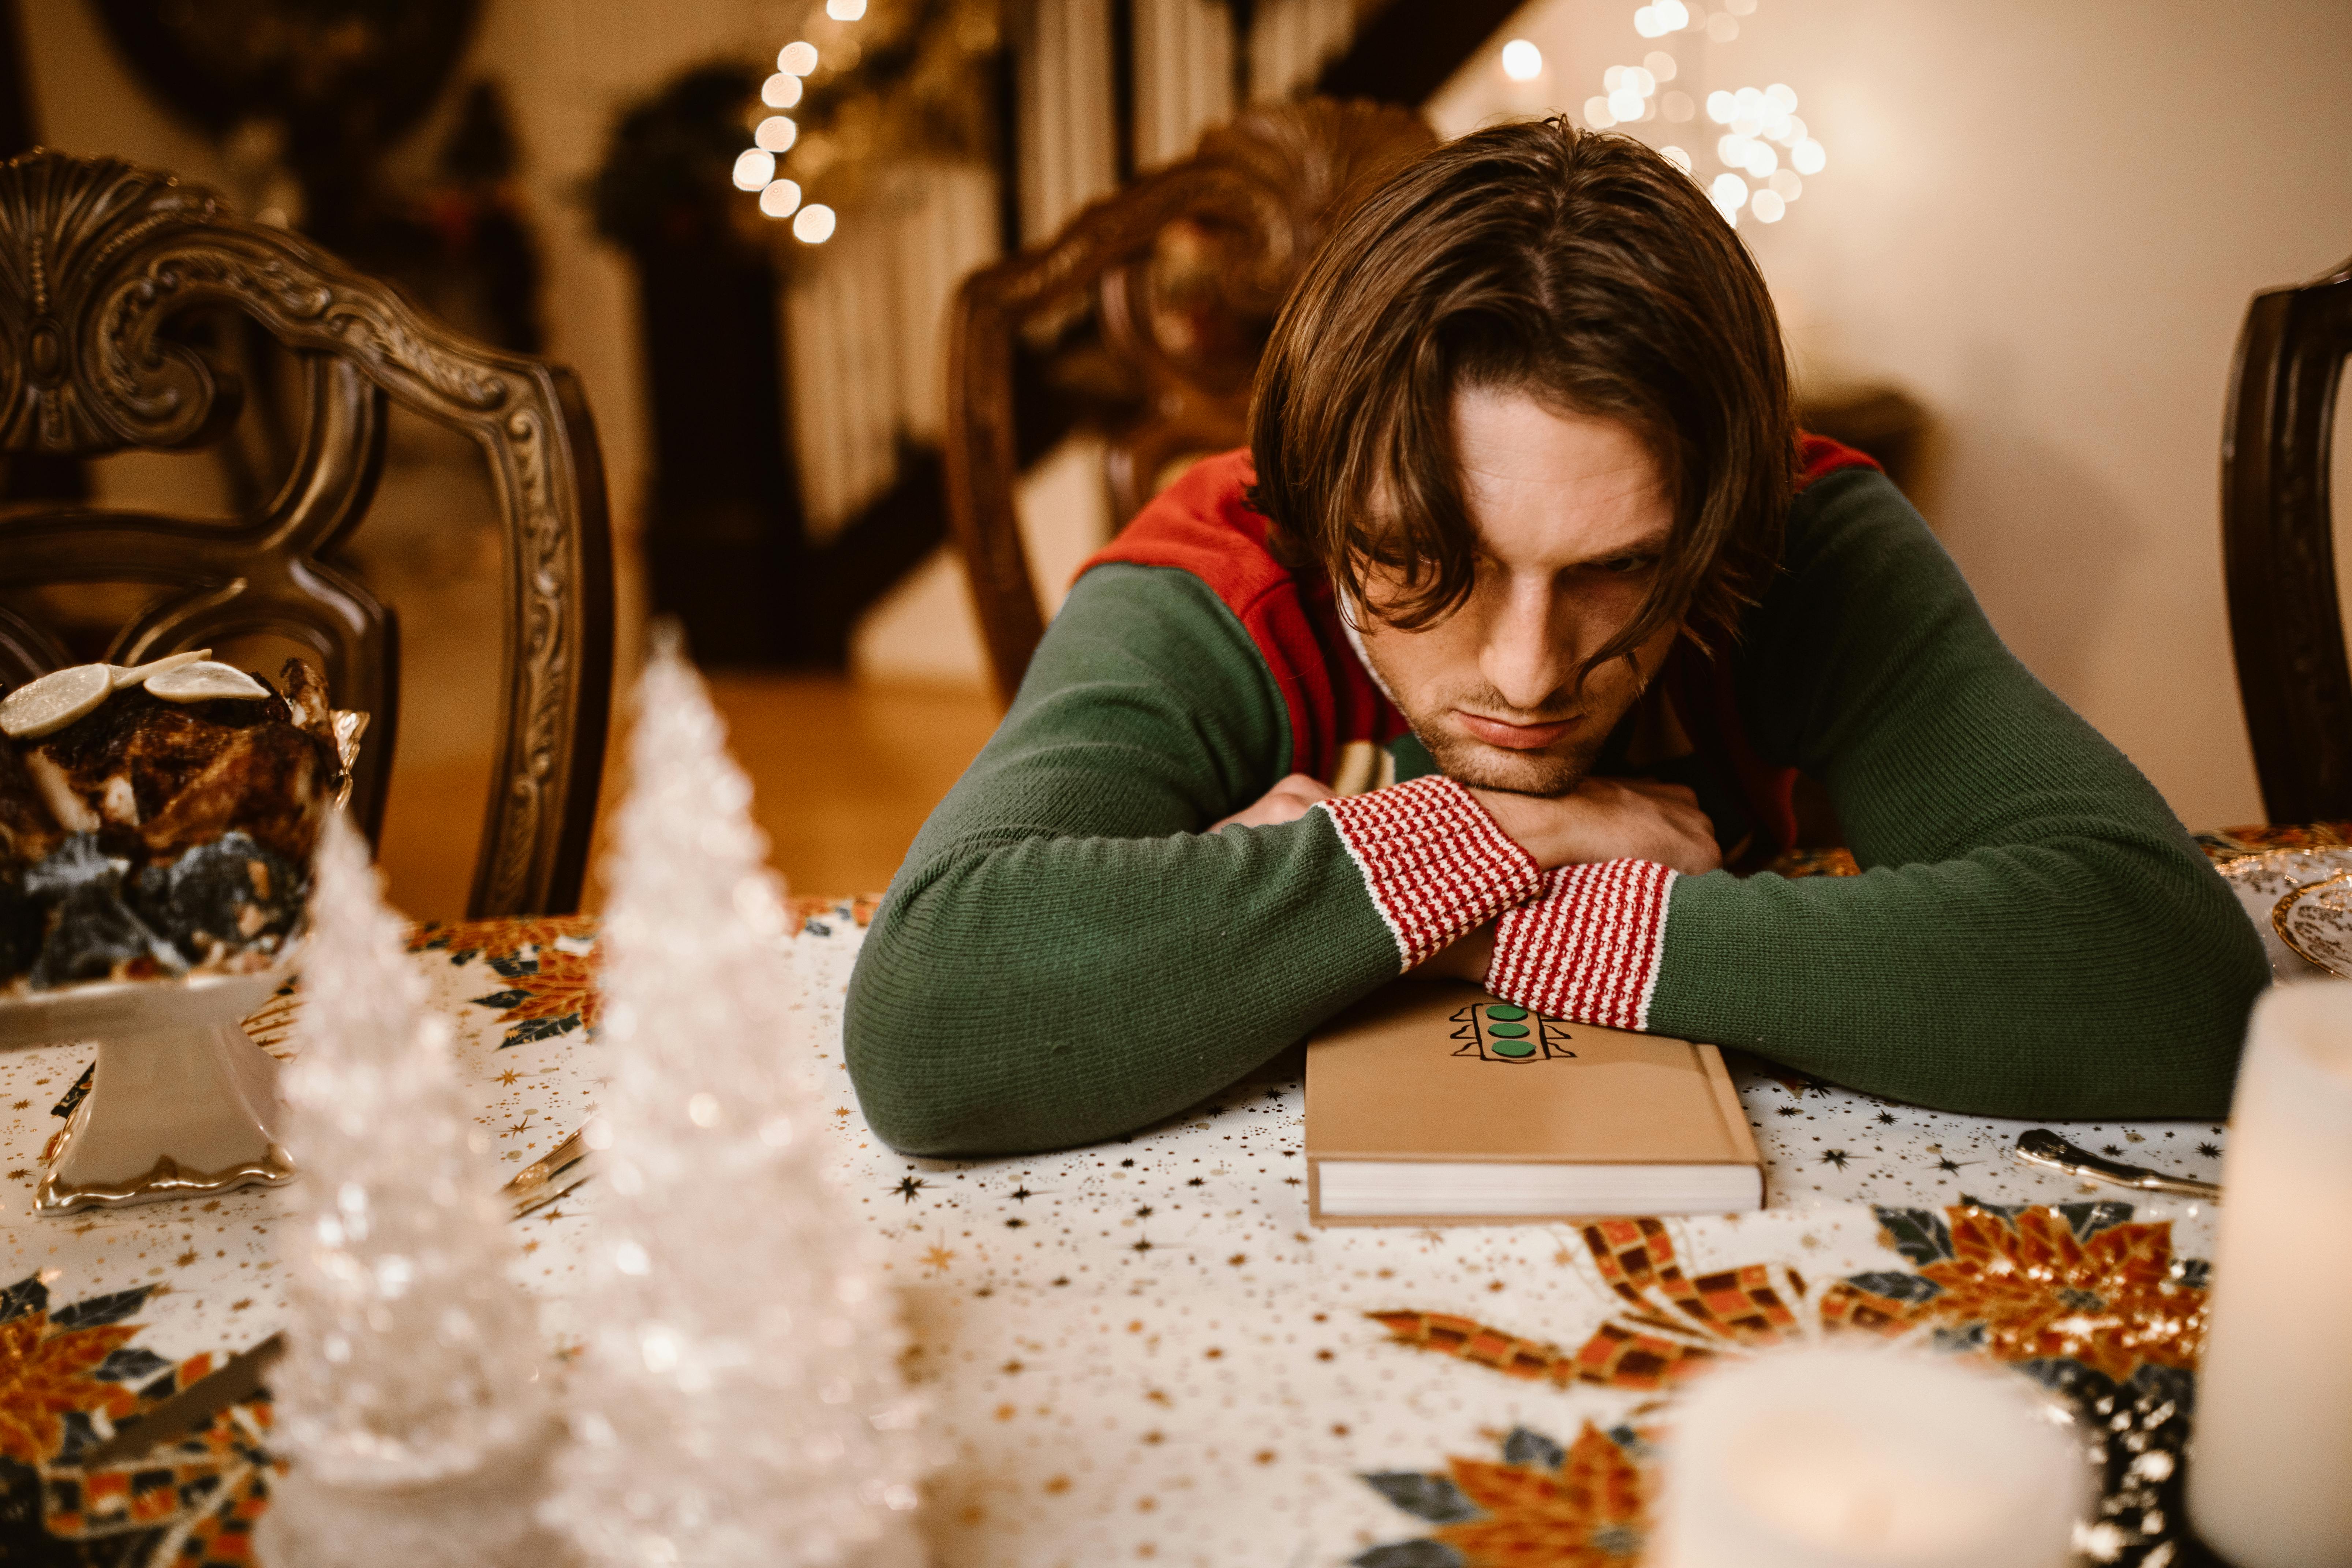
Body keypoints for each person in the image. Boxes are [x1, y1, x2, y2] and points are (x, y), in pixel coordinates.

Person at [843, 119, 2266, 1157]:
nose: (1528, 673)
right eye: (1425, 568)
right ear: (1314, 505)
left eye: (1616, 572)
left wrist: (1393, 916)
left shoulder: (1800, 534)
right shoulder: (1216, 564)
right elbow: (930, 1021)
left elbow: (2170, 982)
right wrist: (1509, 839)